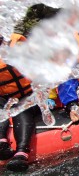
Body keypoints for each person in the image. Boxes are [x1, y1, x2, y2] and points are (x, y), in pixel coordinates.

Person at [0, 33, 40, 172]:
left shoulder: (17, 45)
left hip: (30, 95)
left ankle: (21, 153)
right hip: (5, 98)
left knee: (20, 108)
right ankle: (2, 143)